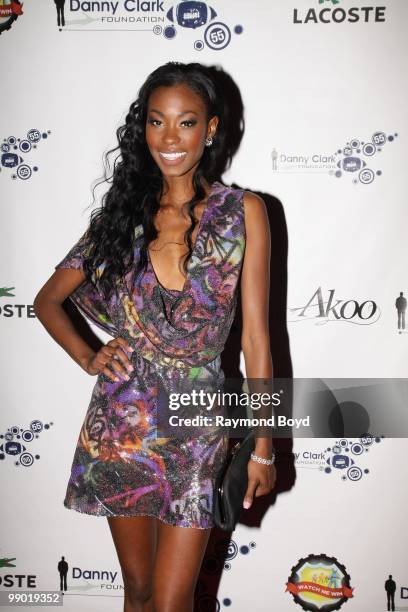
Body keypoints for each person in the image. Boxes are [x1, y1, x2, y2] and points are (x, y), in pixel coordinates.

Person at [34, 61, 276, 612]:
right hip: (122, 424)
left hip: (197, 424)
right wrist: (90, 355)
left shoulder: (243, 214)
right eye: (156, 121)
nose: (169, 138)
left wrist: (264, 447)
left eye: (186, 122)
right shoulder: (122, 218)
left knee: (172, 601)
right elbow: (47, 301)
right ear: (141, 129)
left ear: (211, 129)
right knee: (138, 592)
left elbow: (257, 341)